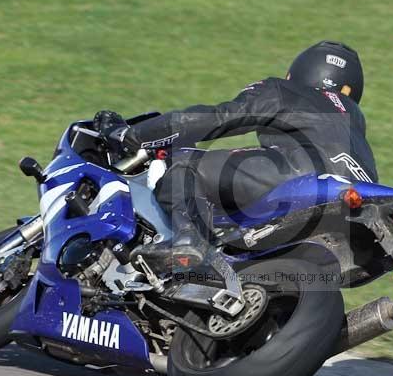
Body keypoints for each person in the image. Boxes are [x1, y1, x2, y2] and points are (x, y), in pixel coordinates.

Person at [93, 40, 378, 271]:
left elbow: (219, 118)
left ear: (300, 72)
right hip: (363, 207)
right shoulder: (354, 120)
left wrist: (132, 134)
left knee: (182, 163)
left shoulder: (286, 90)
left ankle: (189, 239)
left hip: (301, 178)